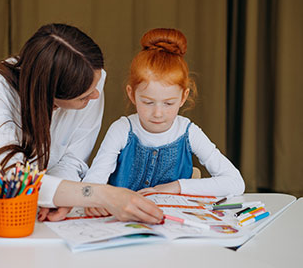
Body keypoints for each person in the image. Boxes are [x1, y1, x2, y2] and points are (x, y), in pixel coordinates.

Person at [0, 23, 163, 223]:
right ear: (50, 93)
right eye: (83, 97)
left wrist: (64, 196)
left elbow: (72, 159)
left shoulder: (91, 79)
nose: (96, 95)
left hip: (46, 203)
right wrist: (104, 195)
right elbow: (10, 176)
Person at [82, 28, 245, 216]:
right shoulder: (121, 129)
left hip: (172, 224)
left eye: (168, 103)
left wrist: (177, 186)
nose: (158, 113)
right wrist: (94, 197)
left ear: (183, 97)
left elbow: (235, 182)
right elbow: (93, 182)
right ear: (131, 94)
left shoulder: (189, 132)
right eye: (148, 102)